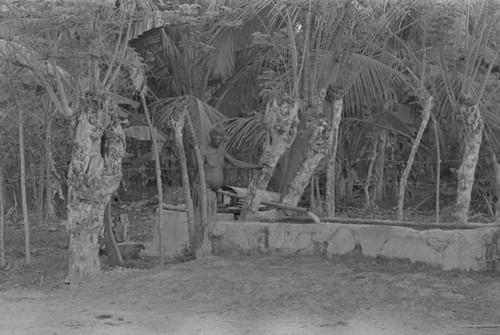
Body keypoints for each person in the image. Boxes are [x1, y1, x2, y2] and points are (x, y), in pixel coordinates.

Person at [200, 124, 263, 191]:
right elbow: (197, 167)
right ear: (210, 134)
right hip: (205, 189)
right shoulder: (204, 149)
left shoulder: (222, 150)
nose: (217, 138)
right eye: (214, 134)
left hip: (216, 191)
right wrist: (192, 150)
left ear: (223, 137)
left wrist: (256, 166)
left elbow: (235, 162)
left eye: (219, 135)